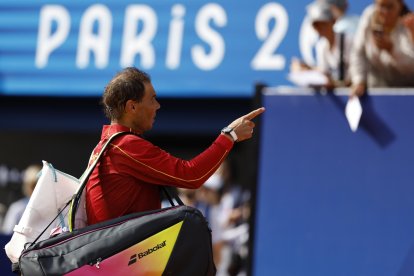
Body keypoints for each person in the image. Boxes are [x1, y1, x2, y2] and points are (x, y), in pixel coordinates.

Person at [85, 67, 265, 225]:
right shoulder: (126, 145)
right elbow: (191, 176)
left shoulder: (106, 145)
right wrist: (229, 135)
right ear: (132, 107)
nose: (158, 106)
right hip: (123, 260)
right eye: (152, 99)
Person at [349, 0, 414, 97]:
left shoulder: (410, 24)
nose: (385, 11)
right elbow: (358, 52)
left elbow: (411, 67)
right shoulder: (369, 16)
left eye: (390, 7)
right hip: (376, 90)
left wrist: (392, 50)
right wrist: (359, 81)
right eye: (381, 6)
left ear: (400, 6)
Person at [290, 1, 354, 88]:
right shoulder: (321, 46)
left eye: (323, 24)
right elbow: (324, 73)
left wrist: (335, 84)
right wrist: (306, 69)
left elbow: (356, 78)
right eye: (316, 26)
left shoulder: (348, 41)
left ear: (333, 21)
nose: (320, 28)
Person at [1, 164, 41, 234]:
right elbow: (7, 237)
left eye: (40, 184)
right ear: (28, 185)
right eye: (34, 184)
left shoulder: (55, 207)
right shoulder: (17, 208)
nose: (37, 188)